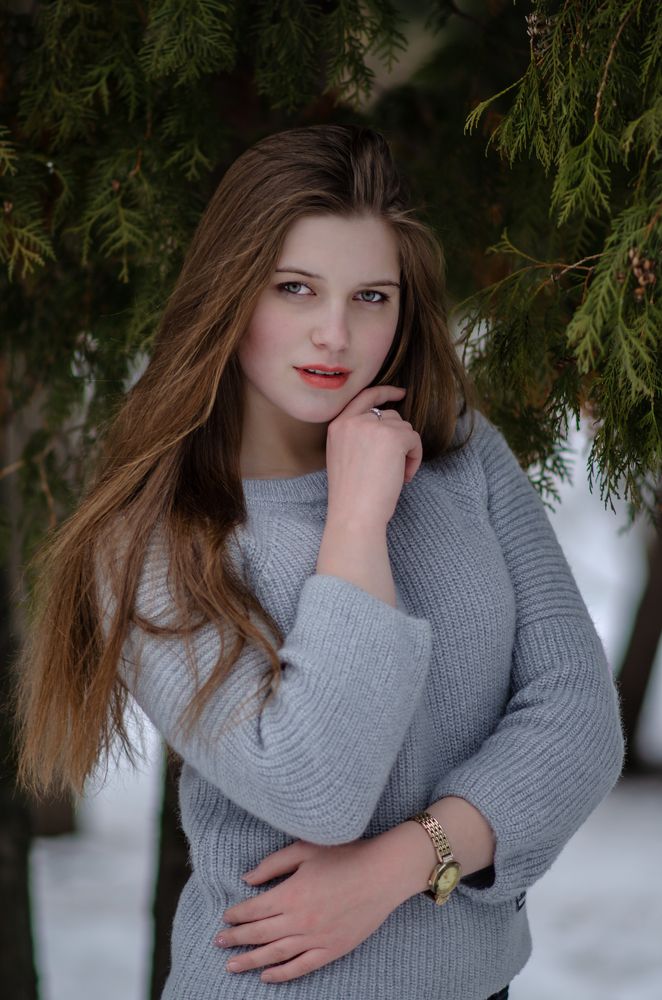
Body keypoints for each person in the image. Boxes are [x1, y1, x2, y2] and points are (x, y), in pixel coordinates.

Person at [15, 124, 625, 1000]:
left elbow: (579, 715)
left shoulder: (460, 453)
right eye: (295, 288)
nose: (334, 335)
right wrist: (357, 517)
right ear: (231, 290)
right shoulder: (153, 539)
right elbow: (318, 788)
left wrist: (401, 865)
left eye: (371, 297)